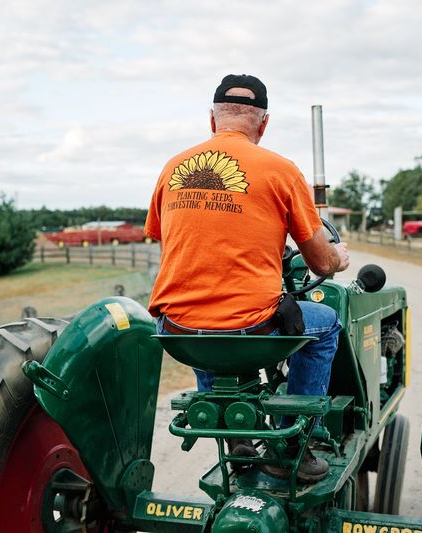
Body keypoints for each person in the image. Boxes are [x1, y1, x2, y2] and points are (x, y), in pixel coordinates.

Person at [144, 74, 349, 482]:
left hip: (177, 330)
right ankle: (293, 443)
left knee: (208, 323)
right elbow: (321, 264)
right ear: (263, 122)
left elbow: (164, 237)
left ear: (212, 120)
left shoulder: (172, 167)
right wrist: (339, 256)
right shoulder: (279, 170)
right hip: (249, 328)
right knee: (326, 325)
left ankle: (236, 435)